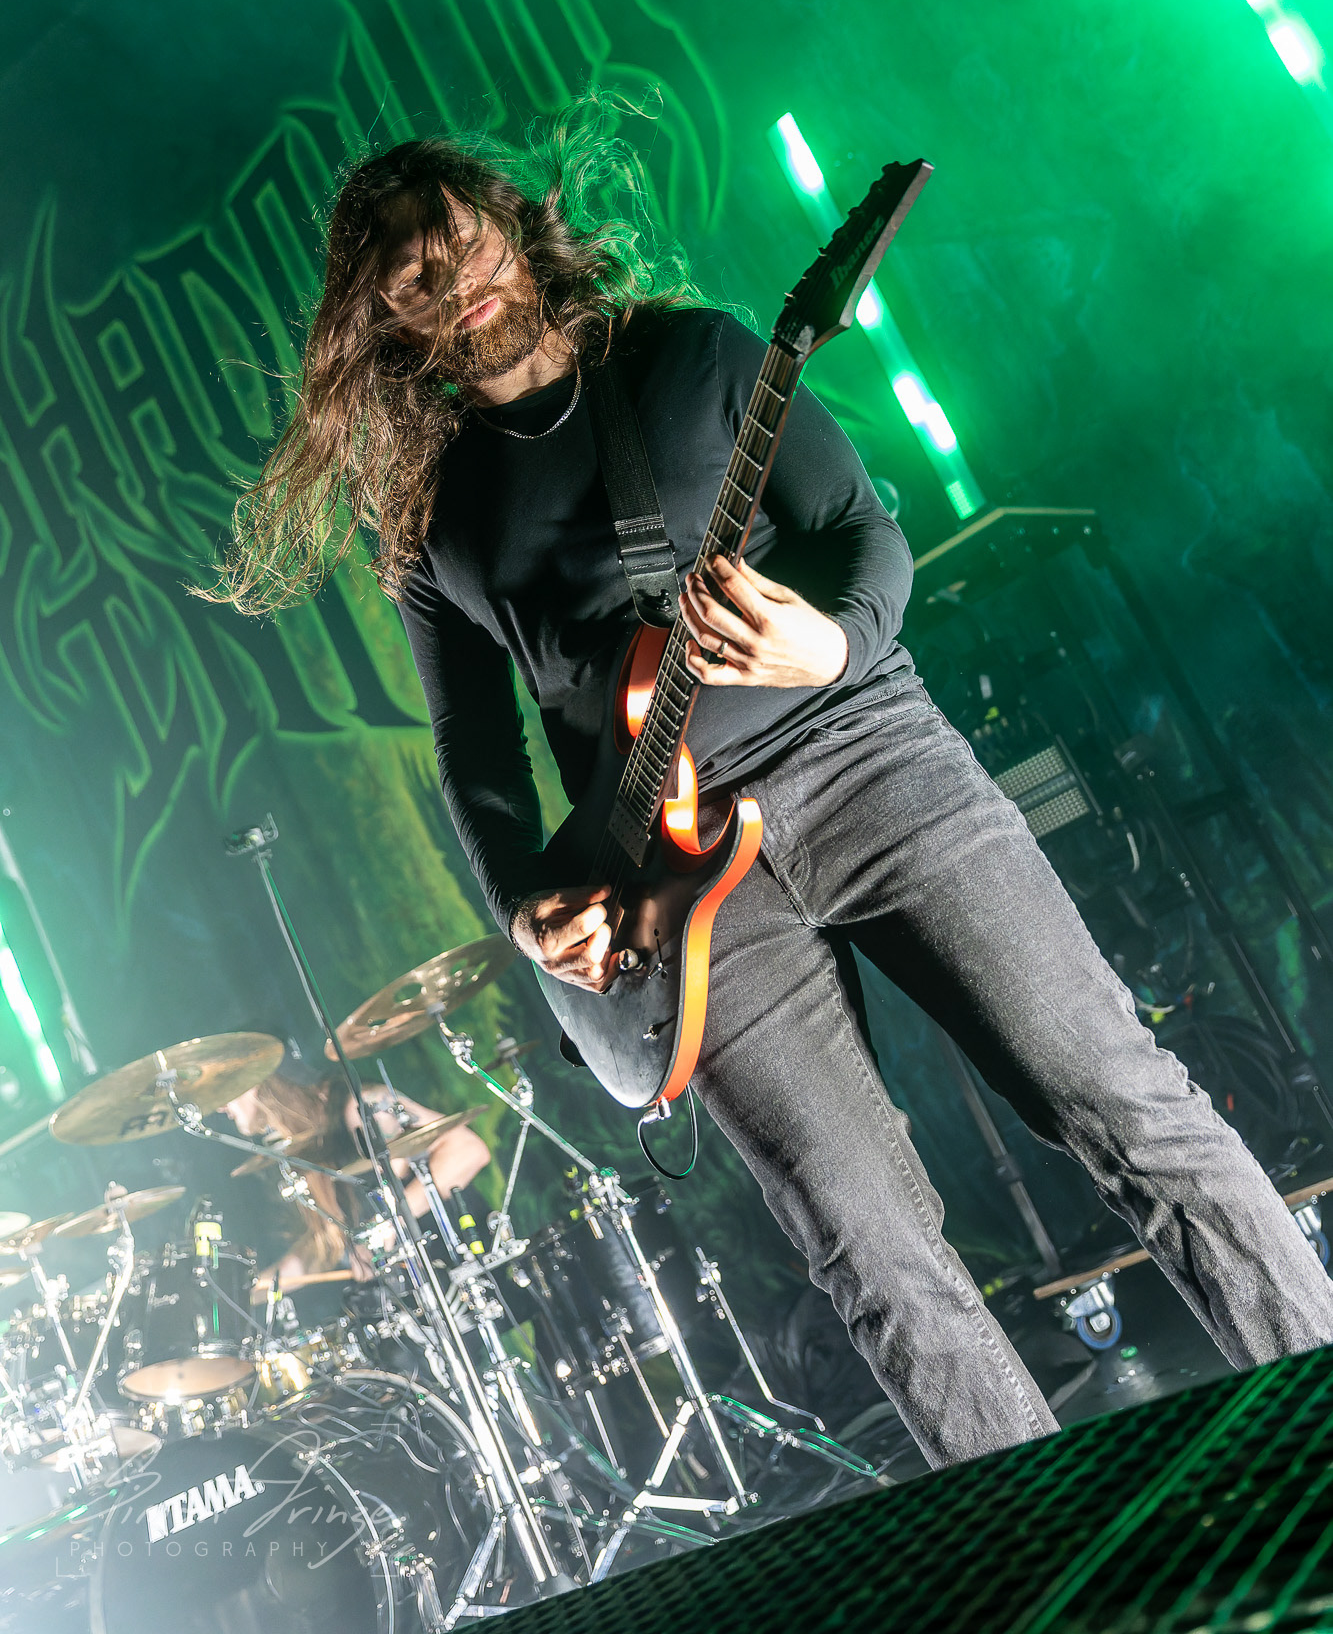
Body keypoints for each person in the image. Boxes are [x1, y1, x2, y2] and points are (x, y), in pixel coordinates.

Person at [206, 106, 1333, 1468]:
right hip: (668, 882)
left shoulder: (696, 352)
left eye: (468, 238)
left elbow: (862, 533)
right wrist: (523, 907)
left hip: (862, 753)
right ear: (385, 322)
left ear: (514, 225)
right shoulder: (433, 522)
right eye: (417, 275)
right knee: (861, 1243)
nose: (462, 278)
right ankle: (1045, 1550)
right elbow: (477, 756)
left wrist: (831, 639)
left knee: (1117, 1095)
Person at [224, 1064, 489, 1289]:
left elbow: (468, 1150)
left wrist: (388, 1223)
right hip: (435, 1293)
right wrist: (248, 1295)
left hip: (478, 1261)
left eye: (223, 1085)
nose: (219, 1106)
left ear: (258, 1079)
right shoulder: (298, 1150)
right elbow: (323, 1248)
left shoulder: (356, 1105)